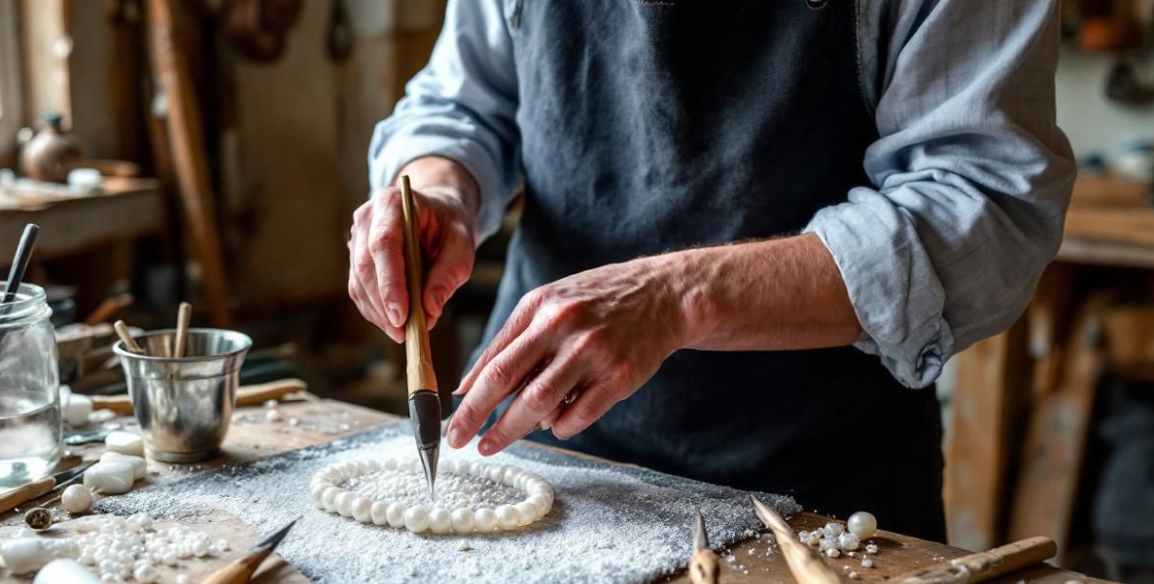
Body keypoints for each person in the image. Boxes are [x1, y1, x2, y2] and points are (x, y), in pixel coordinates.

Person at [346, 0, 1075, 541]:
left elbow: (982, 206)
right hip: (538, 459)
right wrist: (437, 185)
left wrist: (677, 297)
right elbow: (461, 101)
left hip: (818, 495)